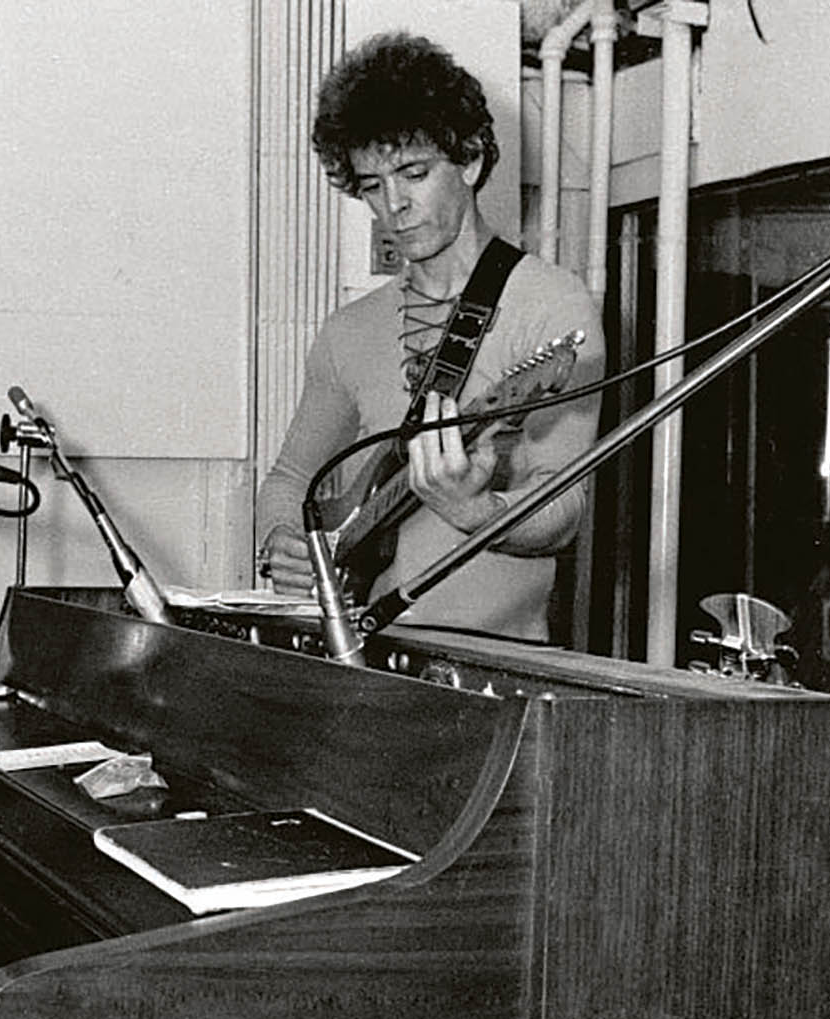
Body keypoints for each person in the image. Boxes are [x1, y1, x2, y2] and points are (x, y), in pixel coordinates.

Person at [256, 32, 606, 643]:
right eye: (371, 185)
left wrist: (473, 511)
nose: (394, 206)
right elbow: (289, 479)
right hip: (359, 652)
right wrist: (281, 542)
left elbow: (564, 511)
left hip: (492, 661)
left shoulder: (552, 304)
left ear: (469, 160)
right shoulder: (350, 330)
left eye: (414, 174)